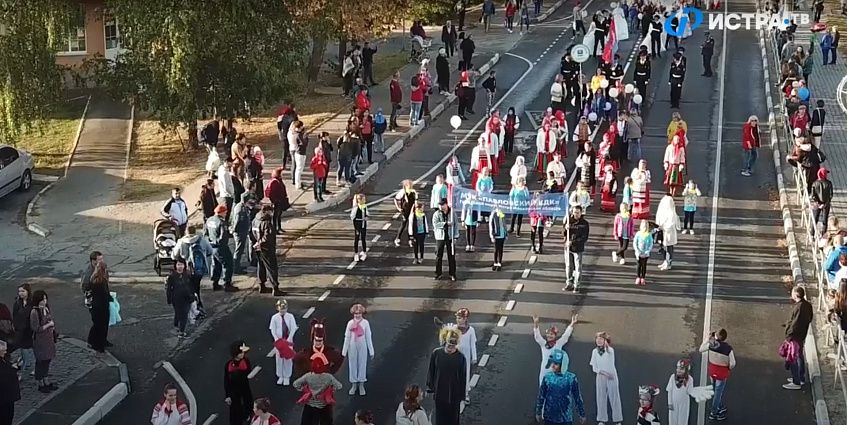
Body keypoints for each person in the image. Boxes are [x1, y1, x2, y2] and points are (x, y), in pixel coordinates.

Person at [427, 324, 467, 425]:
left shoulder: (461, 358)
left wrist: (462, 397)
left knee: (453, 420)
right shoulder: (436, 354)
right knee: (440, 419)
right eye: (449, 343)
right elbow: (431, 371)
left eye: (453, 345)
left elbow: (463, 378)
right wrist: (430, 387)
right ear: (445, 340)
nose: (451, 347)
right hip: (440, 393)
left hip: (454, 395)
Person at [293, 346, 344, 425]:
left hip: (310, 405)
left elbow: (296, 384)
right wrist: (332, 389)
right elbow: (339, 386)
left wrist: (303, 389)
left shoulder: (308, 376)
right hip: (324, 406)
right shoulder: (328, 377)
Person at [535, 349, 587, 425]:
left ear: (563, 364)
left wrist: (582, 414)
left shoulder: (571, 378)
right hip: (549, 417)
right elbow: (541, 396)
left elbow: (577, 397)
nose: (553, 365)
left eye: (556, 363)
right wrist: (538, 411)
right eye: (552, 362)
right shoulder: (547, 377)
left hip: (565, 419)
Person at [699, 329, 736, 421]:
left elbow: (701, 349)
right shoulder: (728, 349)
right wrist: (728, 368)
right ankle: (714, 412)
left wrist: (707, 339)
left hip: (712, 371)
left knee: (715, 389)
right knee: (718, 393)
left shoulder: (712, 344)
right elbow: (732, 363)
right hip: (721, 373)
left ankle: (718, 407)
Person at [532, 314, 577, 386]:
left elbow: (566, 335)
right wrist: (536, 323)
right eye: (548, 334)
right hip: (545, 371)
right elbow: (537, 336)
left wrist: (572, 323)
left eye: (552, 334)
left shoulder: (558, 344)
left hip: (555, 372)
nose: (550, 335)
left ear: (555, 336)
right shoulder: (543, 344)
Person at [783, 286, 813, 390]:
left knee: (793, 357)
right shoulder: (807, 305)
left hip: (795, 335)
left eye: (792, 292)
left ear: (796, 295)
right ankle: (801, 378)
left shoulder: (798, 307)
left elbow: (795, 323)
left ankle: (796, 381)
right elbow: (810, 318)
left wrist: (788, 334)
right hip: (802, 334)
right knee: (799, 356)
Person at [341, 303, 375, 396]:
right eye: (356, 313)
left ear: (362, 313)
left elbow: (368, 337)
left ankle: (361, 384)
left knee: (362, 364)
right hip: (352, 346)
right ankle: (354, 384)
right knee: (352, 364)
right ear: (353, 314)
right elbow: (347, 337)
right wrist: (344, 351)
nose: (357, 315)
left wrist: (371, 351)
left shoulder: (365, 323)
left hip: (362, 346)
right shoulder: (350, 323)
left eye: (359, 313)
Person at [29, 290, 56, 393]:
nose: (44, 301)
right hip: (40, 341)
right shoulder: (34, 312)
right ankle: (40, 383)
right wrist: (48, 325)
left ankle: (46, 380)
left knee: (47, 360)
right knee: (41, 361)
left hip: (48, 339)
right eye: (42, 299)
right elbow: (35, 328)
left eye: (45, 299)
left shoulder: (46, 308)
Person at [253, 205, 283, 296]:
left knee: (261, 266)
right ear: (267, 211)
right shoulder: (266, 222)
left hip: (258, 247)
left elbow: (251, 232)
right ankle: (275, 288)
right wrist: (260, 242)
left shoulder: (255, 220)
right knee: (272, 268)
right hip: (267, 248)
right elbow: (268, 236)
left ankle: (261, 286)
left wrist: (256, 242)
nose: (272, 214)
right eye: (271, 212)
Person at [206, 205, 237, 292]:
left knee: (216, 264)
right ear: (222, 212)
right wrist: (220, 242)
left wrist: (211, 242)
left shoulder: (209, 220)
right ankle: (227, 284)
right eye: (225, 212)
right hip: (220, 247)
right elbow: (223, 236)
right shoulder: (222, 222)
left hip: (212, 246)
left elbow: (205, 233)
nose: (226, 214)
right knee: (228, 264)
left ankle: (215, 283)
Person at [224, 341, 253, 425]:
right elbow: (226, 381)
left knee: (248, 402)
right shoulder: (228, 365)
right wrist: (227, 395)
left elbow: (248, 371)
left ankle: (247, 416)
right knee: (235, 408)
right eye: (241, 352)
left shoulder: (246, 361)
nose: (243, 354)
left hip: (244, 386)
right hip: (233, 390)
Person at [269, 299, 297, 386]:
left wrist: (289, 339)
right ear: (277, 308)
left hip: (287, 340)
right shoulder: (274, 317)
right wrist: (276, 339)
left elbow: (293, 328)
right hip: (279, 342)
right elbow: (273, 329)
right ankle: (280, 375)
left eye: (284, 309)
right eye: (281, 309)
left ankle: (287, 376)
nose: (283, 311)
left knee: (288, 358)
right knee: (279, 359)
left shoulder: (290, 316)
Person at [166, 258, 195, 338]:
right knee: (179, 313)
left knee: (184, 314)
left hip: (187, 298)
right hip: (176, 299)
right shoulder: (172, 276)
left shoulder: (188, 275)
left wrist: (193, 295)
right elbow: (169, 289)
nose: (180, 266)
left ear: (184, 265)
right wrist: (169, 299)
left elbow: (191, 286)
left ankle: (181, 330)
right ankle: (178, 327)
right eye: (178, 264)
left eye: (181, 264)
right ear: (175, 266)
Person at [87, 260, 111, 353]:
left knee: (98, 325)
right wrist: (110, 298)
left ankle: (97, 342)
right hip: (100, 307)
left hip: (97, 306)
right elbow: (104, 294)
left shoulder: (95, 279)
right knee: (100, 326)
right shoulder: (99, 282)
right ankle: (98, 345)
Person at [454, 308, 478, 402]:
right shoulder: (454, 329)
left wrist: (474, 357)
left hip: (466, 357)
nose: (458, 320)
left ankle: (465, 393)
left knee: (465, 374)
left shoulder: (471, 330)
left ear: (465, 319)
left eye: (460, 318)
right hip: (456, 355)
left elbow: (472, 344)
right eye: (457, 318)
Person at [564, 206, 589, 292]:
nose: (576, 214)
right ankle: (569, 283)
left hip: (578, 249)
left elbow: (584, 238)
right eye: (575, 212)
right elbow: (564, 234)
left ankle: (576, 285)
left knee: (578, 268)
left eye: (578, 213)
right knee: (568, 266)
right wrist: (565, 228)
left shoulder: (584, 224)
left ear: (581, 213)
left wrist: (573, 242)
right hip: (568, 248)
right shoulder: (569, 221)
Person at [230, 192, 256, 274]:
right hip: (240, 233)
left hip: (242, 231)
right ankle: (236, 268)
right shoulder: (241, 209)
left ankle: (237, 265)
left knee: (240, 250)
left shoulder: (241, 206)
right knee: (239, 250)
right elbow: (237, 222)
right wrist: (234, 230)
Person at [433, 199, 458, 281]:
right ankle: (438, 273)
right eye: (440, 205)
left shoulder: (452, 213)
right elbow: (435, 224)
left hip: (450, 237)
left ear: (446, 204)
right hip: (440, 237)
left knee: (451, 256)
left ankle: (452, 273)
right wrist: (446, 224)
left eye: (442, 205)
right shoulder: (437, 213)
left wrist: (455, 236)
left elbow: (456, 224)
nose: (441, 207)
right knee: (438, 255)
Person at [12, 284, 34, 375]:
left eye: (23, 291)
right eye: (19, 291)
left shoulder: (32, 303)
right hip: (21, 331)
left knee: (32, 349)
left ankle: (30, 367)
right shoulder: (17, 303)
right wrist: (16, 327)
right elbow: (14, 316)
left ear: (28, 291)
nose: (20, 293)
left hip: (30, 330)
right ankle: (24, 365)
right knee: (24, 349)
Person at [655, 195, 681, 271]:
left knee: (669, 249)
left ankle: (668, 263)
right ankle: (665, 261)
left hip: (669, 234)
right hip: (664, 233)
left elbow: (670, 224)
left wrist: (662, 227)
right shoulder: (664, 211)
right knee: (664, 248)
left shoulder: (671, 213)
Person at [0, 340, 20, 425]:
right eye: (3, 350)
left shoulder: (5, 359)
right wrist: (12, 370)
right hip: (3, 397)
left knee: (9, 416)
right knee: (5, 417)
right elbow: (4, 375)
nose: (5, 351)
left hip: (8, 396)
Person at [394, 180, 418, 247]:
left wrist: (415, 208)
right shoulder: (402, 192)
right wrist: (398, 208)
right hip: (404, 211)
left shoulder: (413, 192)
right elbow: (396, 199)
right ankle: (397, 238)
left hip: (412, 211)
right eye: (409, 184)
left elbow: (415, 201)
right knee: (403, 225)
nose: (410, 186)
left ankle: (410, 239)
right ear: (406, 185)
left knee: (411, 225)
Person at [265, 168, 290, 233]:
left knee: (279, 215)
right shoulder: (274, 182)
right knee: (275, 215)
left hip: (280, 200)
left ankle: (279, 227)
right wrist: (275, 200)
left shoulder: (278, 180)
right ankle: (275, 229)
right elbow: (271, 193)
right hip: (277, 201)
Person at [349, 194, 369, 263]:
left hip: (363, 225)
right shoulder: (356, 208)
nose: (365, 200)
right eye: (363, 199)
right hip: (358, 225)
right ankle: (356, 253)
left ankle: (364, 252)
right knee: (357, 239)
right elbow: (352, 217)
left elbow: (367, 213)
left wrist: (366, 217)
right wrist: (357, 222)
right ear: (359, 200)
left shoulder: (365, 206)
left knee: (363, 238)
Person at [812, 168, 833, 232]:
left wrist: (818, 203)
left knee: (815, 218)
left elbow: (813, 195)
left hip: (817, 204)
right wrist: (825, 203)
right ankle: (823, 234)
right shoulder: (829, 183)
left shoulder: (815, 183)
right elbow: (831, 195)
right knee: (825, 220)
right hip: (826, 205)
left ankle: (812, 233)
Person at [633, 219, 653, 285]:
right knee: (639, 265)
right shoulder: (638, 234)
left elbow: (651, 244)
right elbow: (635, 243)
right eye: (642, 227)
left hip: (645, 254)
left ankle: (643, 277)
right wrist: (637, 250)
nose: (644, 228)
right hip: (638, 253)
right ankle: (638, 277)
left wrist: (648, 251)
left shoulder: (649, 235)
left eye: (645, 227)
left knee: (644, 266)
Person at [489, 206, 508, 271]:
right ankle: (495, 262)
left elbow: (504, 224)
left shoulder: (502, 214)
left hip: (502, 234)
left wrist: (506, 233)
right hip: (496, 234)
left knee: (501, 249)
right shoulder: (493, 214)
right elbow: (491, 225)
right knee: (496, 249)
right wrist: (492, 235)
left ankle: (499, 262)